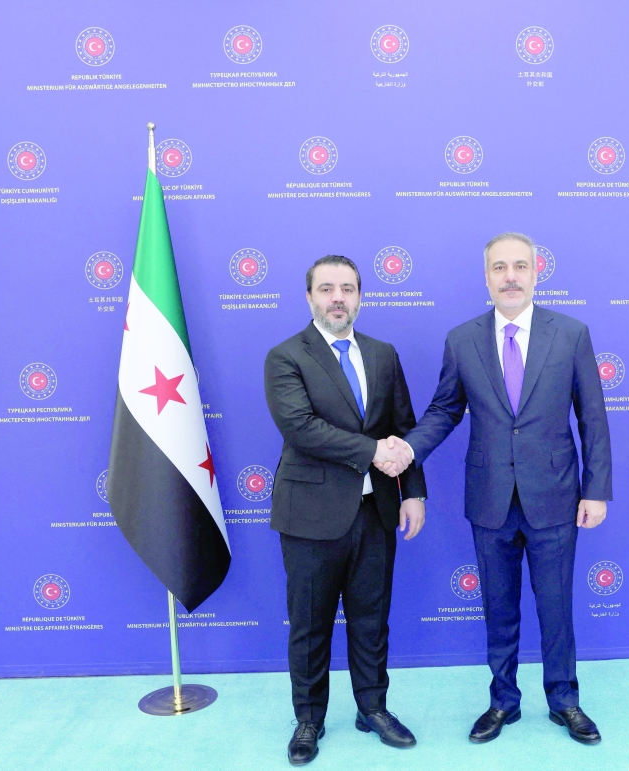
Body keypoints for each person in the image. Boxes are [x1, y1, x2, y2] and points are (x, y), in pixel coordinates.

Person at [388, 232, 612, 745]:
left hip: (555, 496)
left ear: (536, 273)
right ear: (485, 277)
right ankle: (502, 703)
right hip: (489, 499)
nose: (510, 276)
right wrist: (408, 449)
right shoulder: (462, 339)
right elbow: (445, 410)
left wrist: (595, 489)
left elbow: (592, 417)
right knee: (498, 606)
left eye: (519, 267)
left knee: (556, 607)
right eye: (498, 268)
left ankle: (565, 701)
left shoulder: (572, 334)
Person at [264, 255, 425, 766]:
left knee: (371, 619)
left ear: (360, 297)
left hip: (374, 513)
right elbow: (301, 427)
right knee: (310, 624)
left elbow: (404, 424)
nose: (338, 297)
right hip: (310, 515)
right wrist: (372, 452)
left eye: (348, 289)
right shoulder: (286, 356)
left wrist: (413, 492)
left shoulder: (382, 353)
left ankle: (372, 708)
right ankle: (309, 718)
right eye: (327, 288)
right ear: (309, 297)